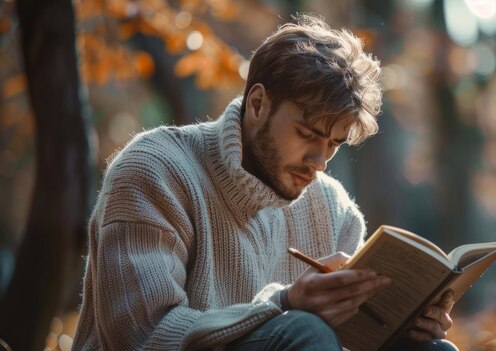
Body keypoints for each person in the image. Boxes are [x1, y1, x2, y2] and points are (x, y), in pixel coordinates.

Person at [72, 14, 458, 351]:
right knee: (303, 330)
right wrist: (285, 303)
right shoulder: (155, 170)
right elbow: (143, 337)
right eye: (307, 134)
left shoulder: (332, 209)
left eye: (334, 144)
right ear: (258, 104)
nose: (320, 162)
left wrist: (403, 327)